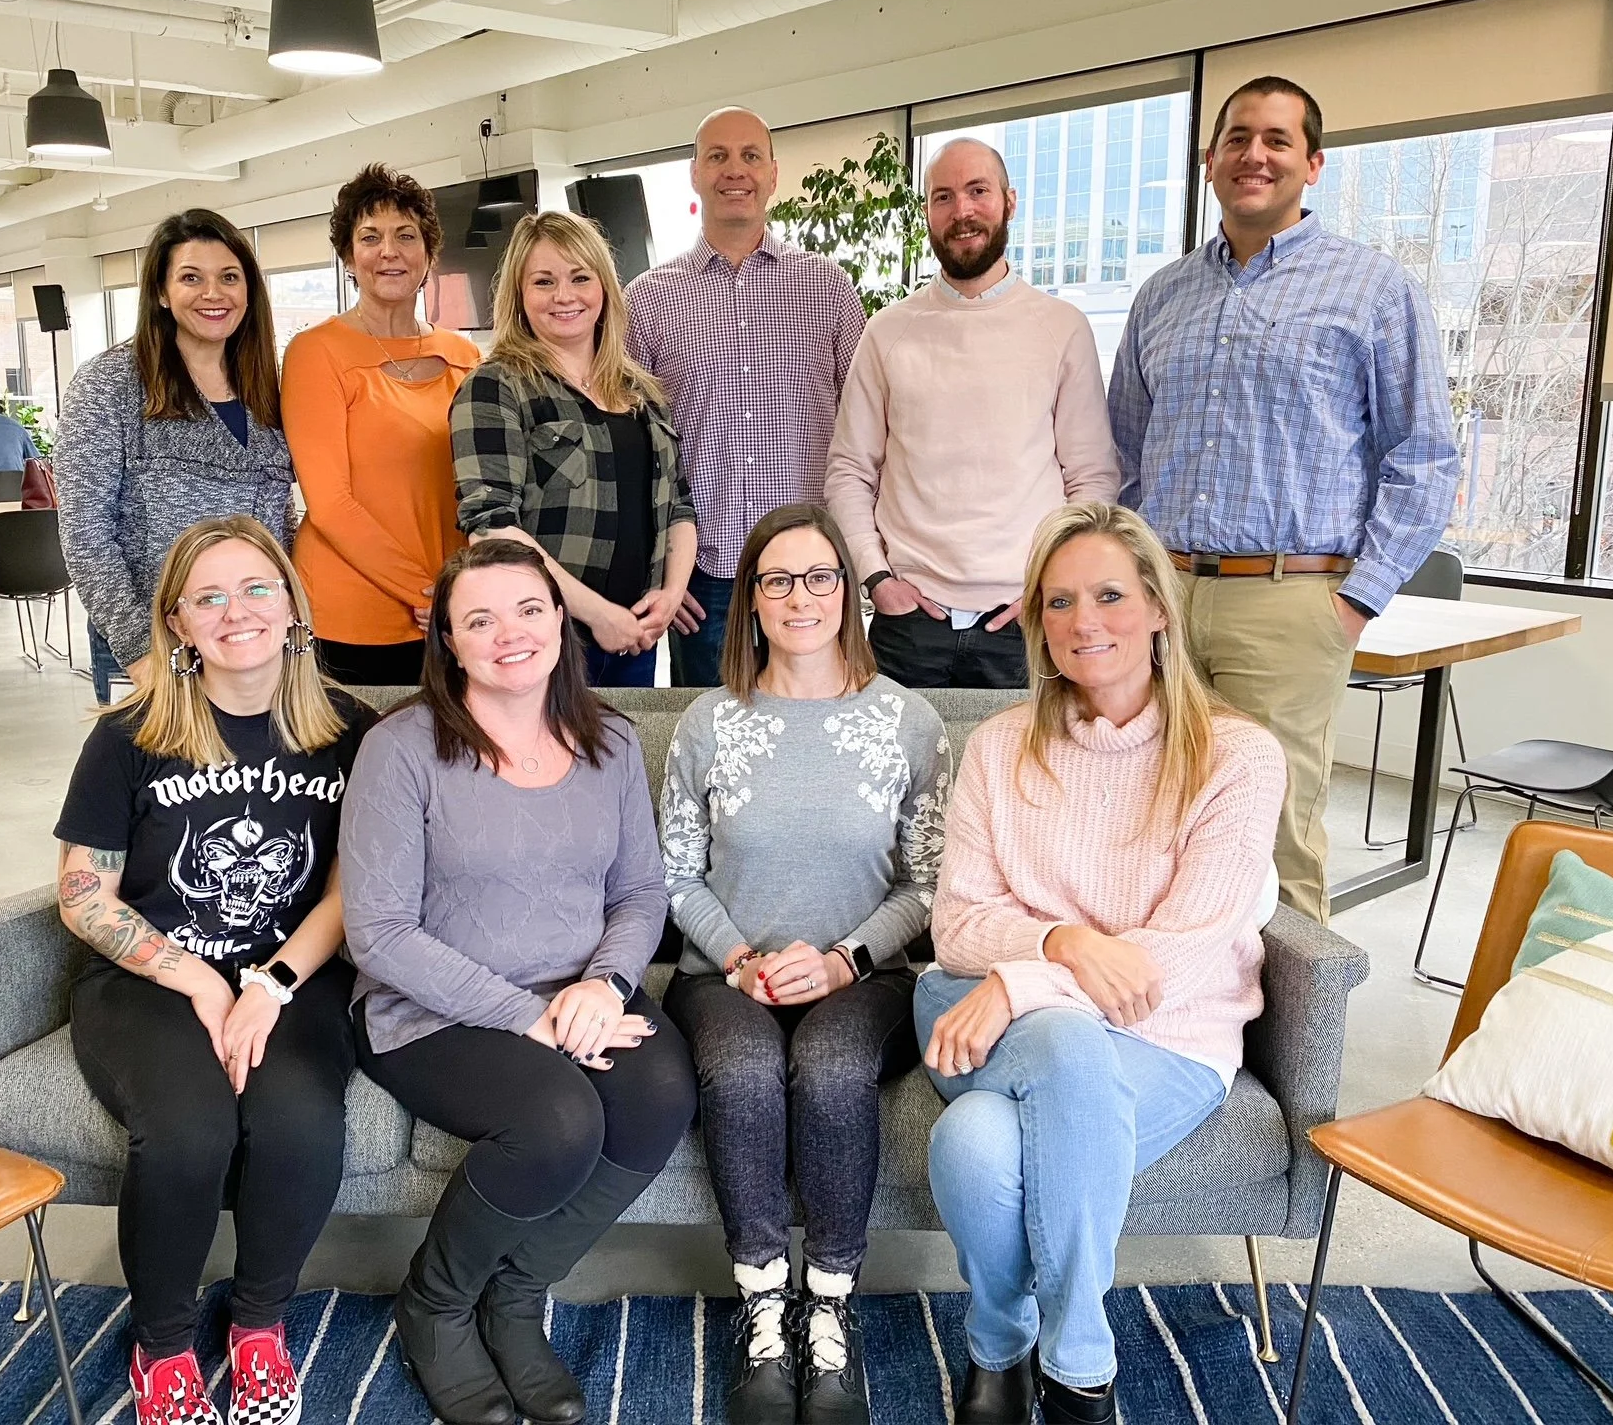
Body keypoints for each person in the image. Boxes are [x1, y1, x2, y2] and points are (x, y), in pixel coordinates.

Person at [914, 503, 1284, 1425]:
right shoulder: (999, 748)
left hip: (1167, 1036)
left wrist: (1023, 981)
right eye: (1060, 601)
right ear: (1038, 621)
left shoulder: (1237, 756)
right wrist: (1060, 946)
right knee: (1069, 1046)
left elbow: (1185, 954)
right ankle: (1081, 1366)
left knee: (974, 1143)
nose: (1086, 622)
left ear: (1159, 606)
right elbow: (959, 924)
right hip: (971, 1012)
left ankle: (1001, 1347)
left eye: (1111, 595)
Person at [341, 536, 696, 1425]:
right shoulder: (402, 750)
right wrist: (528, 1016)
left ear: (559, 621)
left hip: (582, 989)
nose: (511, 633)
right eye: (480, 619)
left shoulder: (609, 740)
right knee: (556, 1120)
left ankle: (517, 1292)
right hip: (432, 1008)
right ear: (449, 643)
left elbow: (641, 891)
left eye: (530, 609)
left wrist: (607, 985)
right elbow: (377, 931)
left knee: (659, 1095)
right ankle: (435, 1304)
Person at [1108, 76, 1459, 925]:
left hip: (1291, 600)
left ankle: (1292, 1049)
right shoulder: (1163, 294)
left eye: (1276, 139)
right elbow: (1125, 449)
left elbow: (1425, 455)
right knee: (1145, 812)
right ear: (1209, 160)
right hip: (1164, 598)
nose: (1253, 155)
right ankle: (1172, 1021)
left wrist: (1353, 600)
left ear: (1313, 162)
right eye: (1236, 138)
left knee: (1274, 831)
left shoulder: (1371, 288)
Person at [53, 515, 376, 1425]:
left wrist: (268, 985)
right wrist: (197, 979)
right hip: (149, 983)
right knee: (190, 1132)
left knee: (299, 1127)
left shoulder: (351, 730)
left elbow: (353, 895)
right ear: (179, 622)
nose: (237, 610)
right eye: (210, 596)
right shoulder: (129, 735)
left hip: (295, 974)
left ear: (292, 606)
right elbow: (83, 894)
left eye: (256, 588)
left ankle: (259, 1324)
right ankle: (161, 1344)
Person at [660, 502, 946, 1425]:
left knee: (828, 1067)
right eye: (775, 580)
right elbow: (675, 875)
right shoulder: (708, 720)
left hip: (866, 980)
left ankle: (828, 1308)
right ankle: (760, 1305)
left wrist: (845, 961)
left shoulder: (909, 721)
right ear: (748, 599)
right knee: (743, 1069)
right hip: (727, 978)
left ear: (849, 594)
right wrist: (741, 959)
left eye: (820, 576)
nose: (799, 596)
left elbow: (932, 886)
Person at [826, 138, 1118, 691]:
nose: (961, 211)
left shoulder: (1060, 327)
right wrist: (877, 578)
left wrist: (1050, 588)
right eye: (944, 197)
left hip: (1025, 620)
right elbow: (849, 471)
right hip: (906, 622)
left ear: (1009, 201)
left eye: (977, 191)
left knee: (1025, 780)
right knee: (900, 779)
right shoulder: (888, 331)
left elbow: (1093, 478)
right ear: (928, 213)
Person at [625, 107, 867, 687]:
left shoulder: (829, 289)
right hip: (702, 578)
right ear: (694, 173)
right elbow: (629, 450)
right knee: (714, 742)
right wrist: (662, 572)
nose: (736, 171)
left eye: (750, 156)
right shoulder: (646, 300)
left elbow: (868, 433)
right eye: (718, 156)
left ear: (774, 173)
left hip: (811, 571)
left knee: (817, 729)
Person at [57, 209, 295, 706]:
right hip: (155, 644)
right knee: (169, 783)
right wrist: (140, 653)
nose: (214, 294)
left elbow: (279, 518)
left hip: (256, 642)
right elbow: (85, 531)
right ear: (162, 294)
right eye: (192, 278)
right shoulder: (111, 383)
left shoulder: (266, 386)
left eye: (230, 277)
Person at [450, 210, 697, 689]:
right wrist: (599, 614)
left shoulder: (640, 392)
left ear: (603, 288)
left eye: (580, 278)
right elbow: (492, 530)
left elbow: (679, 507)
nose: (565, 296)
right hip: (544, 644)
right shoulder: (495, 387)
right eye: (544, 281)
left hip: (636, 639)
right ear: (520, 297)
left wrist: (670, 593)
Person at [284, 165, 482, 687]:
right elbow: (330, 504)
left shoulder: (464, 356)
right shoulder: (316, 352)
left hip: (452, 616)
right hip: (352, 614)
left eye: (405, 236)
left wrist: (461, 596)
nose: (388, 252)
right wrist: (428, 593)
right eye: (370, 238)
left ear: (428, 255)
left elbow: (483, 488)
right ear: (349, 258)